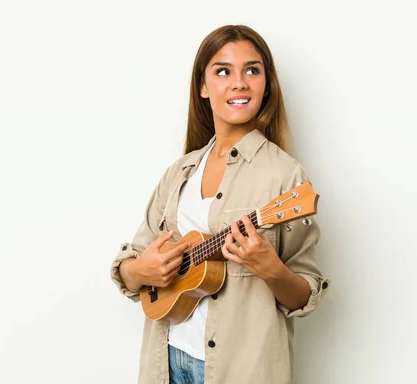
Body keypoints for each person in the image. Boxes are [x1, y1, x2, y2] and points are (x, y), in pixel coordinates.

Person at [110, 24, 330, 384]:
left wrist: (270, 268)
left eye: (252, 70)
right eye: (223, 71)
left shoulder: (285, 176)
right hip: (165, 361)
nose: (239, 82)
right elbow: (131, 262)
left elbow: (305, 292)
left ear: (266, 85)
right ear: (202, 86)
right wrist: (139, 272)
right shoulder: (180, 171)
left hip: (242, 369)